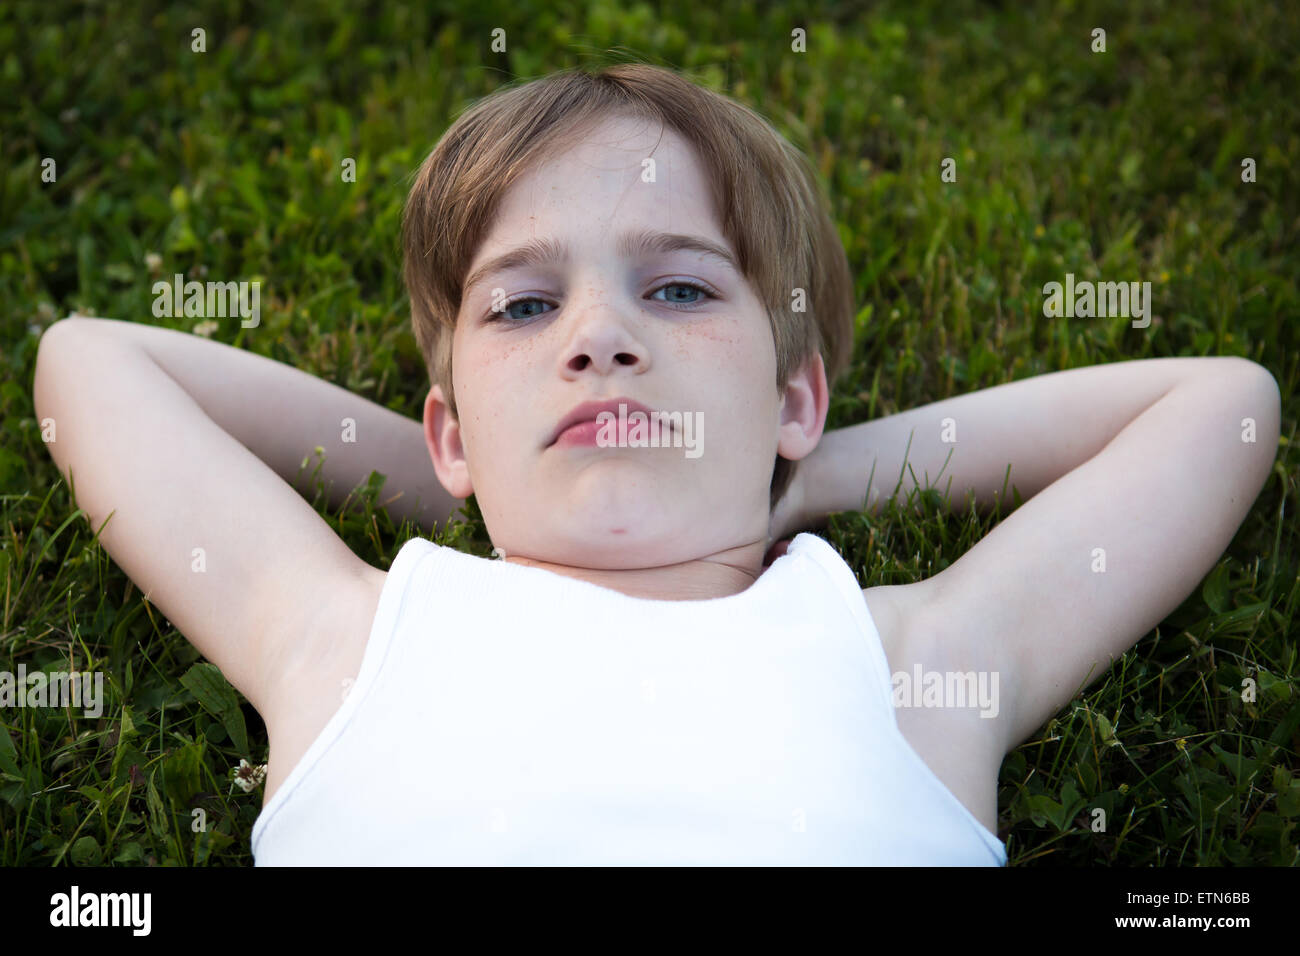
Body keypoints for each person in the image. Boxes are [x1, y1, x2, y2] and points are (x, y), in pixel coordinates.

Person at [31, 64, 1280, 865]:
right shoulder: (351, 636)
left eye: (677, 287)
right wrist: (469, 477)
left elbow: (1220, 403)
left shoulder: (910, 659)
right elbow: (88, 365)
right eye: (522, 309)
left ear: (795, 396)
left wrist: (794, 473)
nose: (601, 337)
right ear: (448, 431)